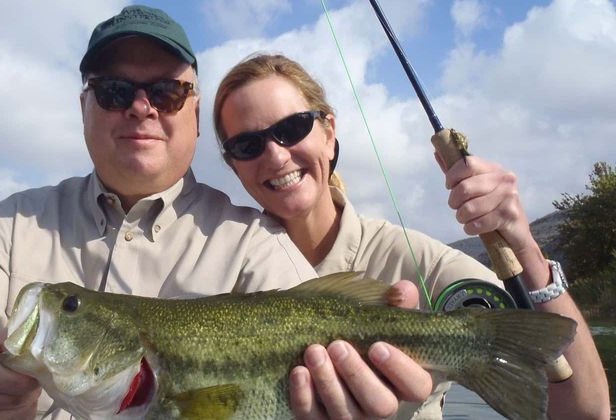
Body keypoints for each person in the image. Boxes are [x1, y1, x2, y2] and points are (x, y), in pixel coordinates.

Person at [0, 7, 430, 420]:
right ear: (84, 107)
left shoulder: (256, 243)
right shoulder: (13, 225)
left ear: (192, 110)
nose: (141, 107)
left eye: (165, 92)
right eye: (115, 91)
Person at [213, 53, 610, 419]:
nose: (276, 155)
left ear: (329, 131)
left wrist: (525, 248)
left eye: (292, 128)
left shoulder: (421, 262)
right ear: (233, 165)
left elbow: (583, 411)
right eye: (247, 145)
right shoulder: (216, 266)